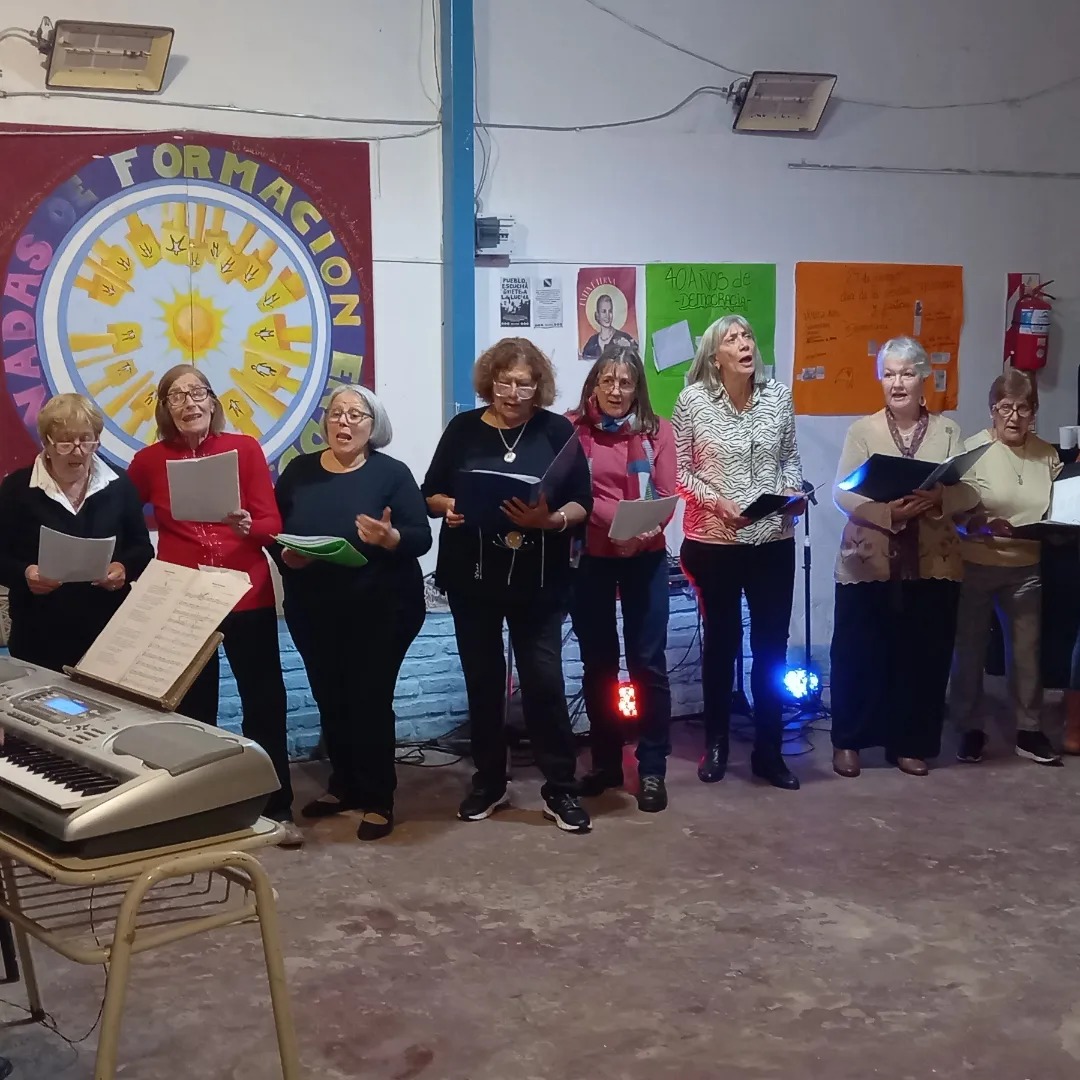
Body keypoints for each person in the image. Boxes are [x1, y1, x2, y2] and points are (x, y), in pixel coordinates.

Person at [423, 337, 594, 833]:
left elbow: (582, 501)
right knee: (482, 681)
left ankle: (560, 787)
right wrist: (451, 507)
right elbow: (430, 492)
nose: (513, 393)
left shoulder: (556, 430)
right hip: (473, 575)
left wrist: (552, 519)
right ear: (489, 381)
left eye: (524, 384)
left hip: (539, 579)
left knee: (545, 683)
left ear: (538, 385)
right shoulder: (463, 429)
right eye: (504, 382)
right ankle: (489, 781)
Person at [127, 365, 302, 848]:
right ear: (165, 408)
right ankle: (202, 809)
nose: (189, 403)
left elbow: (272, 523)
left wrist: (251, 526)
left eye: (198, 393)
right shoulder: (149, 460)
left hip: (246, 591)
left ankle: (275, 806)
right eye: (177, 396)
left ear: (212, 400)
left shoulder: (243, 449)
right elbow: (120, 512)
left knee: (263, 701)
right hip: (185, 597)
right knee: (194, 707)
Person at [273, 385, 430, 840]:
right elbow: (275, 530)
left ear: (373, 426)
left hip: (383, 607)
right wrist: (286, 556)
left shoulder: (392, 473)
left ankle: (379, 798)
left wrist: (391, 538)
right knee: (330, 697)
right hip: (314, 608)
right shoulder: (299, 472)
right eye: (336, 413)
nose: (343, 422)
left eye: (355, 415)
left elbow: (421, 537)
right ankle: (344, 785)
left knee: (370, 700)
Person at [829, 337, 979, 778]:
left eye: (907, 374)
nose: (897, 383)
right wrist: (886, 513)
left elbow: (972, 491)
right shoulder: (863, 431)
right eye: (889, 374)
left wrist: (940, 498)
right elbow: (841, 492)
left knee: (923, 654)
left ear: (923, 379)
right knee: (858, 652)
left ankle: (910, 744)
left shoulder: (948, 432)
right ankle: (849, 742)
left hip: (933, 561)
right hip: (869, 560)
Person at [673, 314, 804, 791]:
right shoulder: (691, 401)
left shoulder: (779, 396)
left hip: (772, 540)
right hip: (714, 541)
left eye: (747, 335)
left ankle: (770, 752)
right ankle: (716, 745)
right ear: (715, 356)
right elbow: (679, 471)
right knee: (721, 643)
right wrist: (716, 502)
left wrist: (791, 495)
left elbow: (790, 459)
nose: (744, 343)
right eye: (732, 339)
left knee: (771, 647)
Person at [568, 344, 677, 812]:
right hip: (590, 556)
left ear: (638, 389)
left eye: (625, 382)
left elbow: (666, 493)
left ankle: (652, 768)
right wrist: (618, 528)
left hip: (645, 556)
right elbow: (575, 493)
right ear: (594, 385)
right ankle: (606, 764)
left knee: (647, 663)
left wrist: (644, 530)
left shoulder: (658, 431)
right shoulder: (572, 430)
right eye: (607, 381)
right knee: (599, 664)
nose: (616, 390)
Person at [950, 370, 1062, 765]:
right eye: (1005, 408)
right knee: (969, 650)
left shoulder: (1047, 455)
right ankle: (969, 727)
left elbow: (1060, 504)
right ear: (992, 410)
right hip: (976, 563)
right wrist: (978, 524)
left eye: (1023, 408)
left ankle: (1029, 730)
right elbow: (955, 511)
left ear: (1034, 412)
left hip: (1026, 566)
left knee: (1027, 652)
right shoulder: (973, 450)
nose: (1014, 417)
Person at [0, 393, 153, 671]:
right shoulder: (17, 490)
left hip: (108, 633)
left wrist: (124, 568)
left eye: (87, 440)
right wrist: (25, 574)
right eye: (66, 441)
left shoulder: (119, 484)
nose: (78, 450)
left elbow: (142, 548)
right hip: (38, 634)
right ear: (46, 442)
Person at [580, 293, 637, 362]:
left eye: (610, 311)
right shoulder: (592, 342)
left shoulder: (624, 337)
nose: (607, 316)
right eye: (604, 311)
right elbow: (584, 360)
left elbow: (636, 358)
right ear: (597, 315)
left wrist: (628, 348)